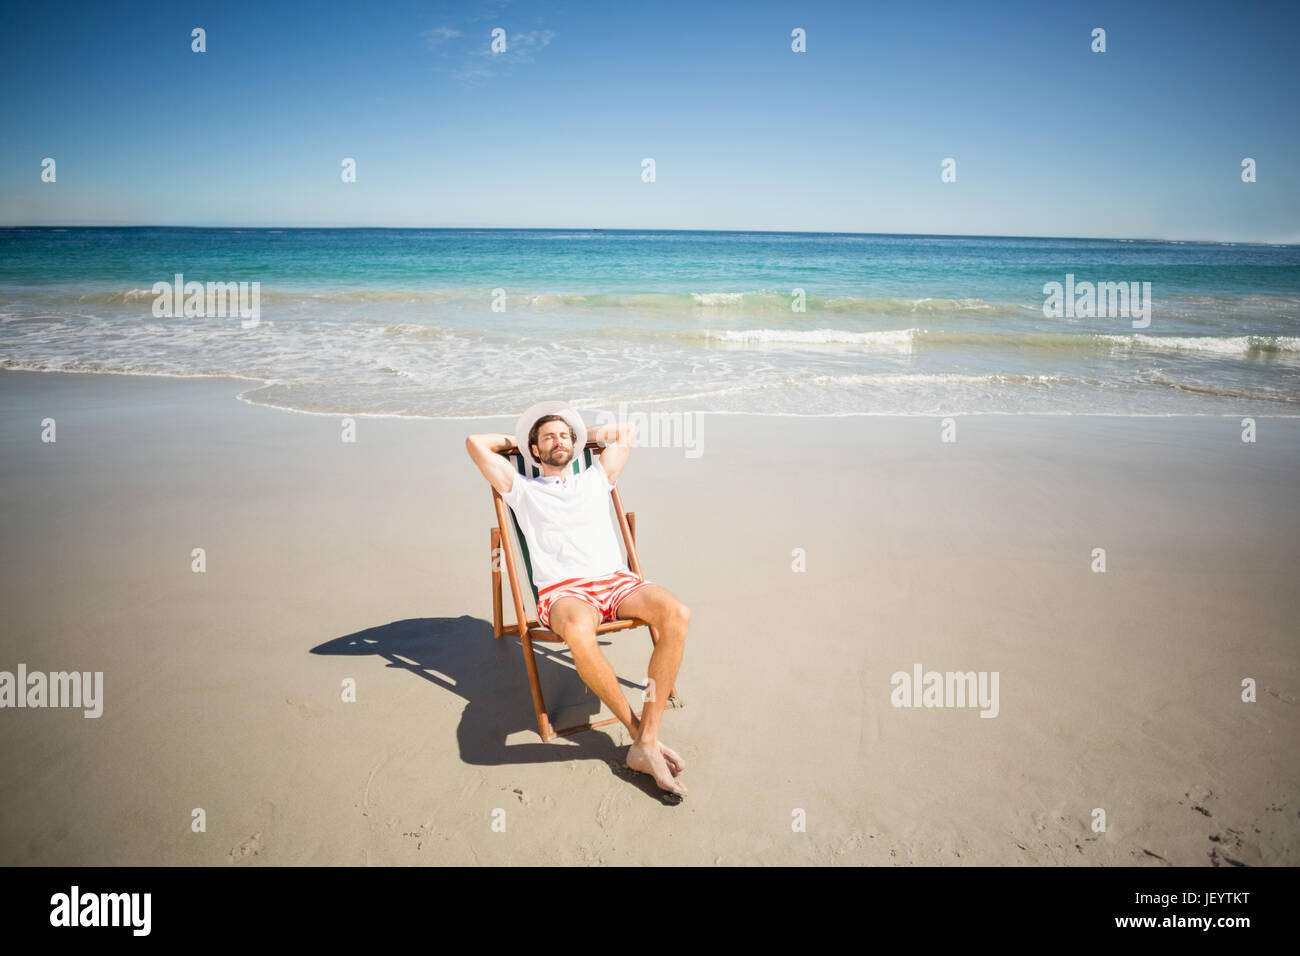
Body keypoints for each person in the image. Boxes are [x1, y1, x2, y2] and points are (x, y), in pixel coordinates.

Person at [466, 408, 690, 796]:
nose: (558, 441)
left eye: (564, 436)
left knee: (676, 613)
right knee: (579, 633)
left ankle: (647, 740)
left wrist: (581, 434)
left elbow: (627, 430)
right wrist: (518, 443)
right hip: (565, 592)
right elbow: (475, 443)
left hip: (616, 581)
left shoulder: (597, 476)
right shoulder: (521, 488)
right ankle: (638, 734)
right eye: (548, 437)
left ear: (576, 444)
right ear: (534, 448)